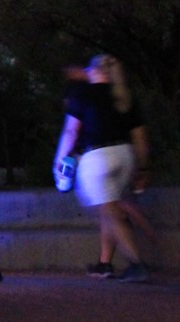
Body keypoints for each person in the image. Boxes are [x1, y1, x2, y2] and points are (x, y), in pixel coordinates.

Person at [53, 54, 153, 282]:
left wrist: (59, 159)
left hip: (97, 158)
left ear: (93, 71)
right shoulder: (125, 97)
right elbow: (140, 137)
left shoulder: (82, 94)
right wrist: (143, 167)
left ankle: (137, 264)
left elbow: (71, 132)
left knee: (110, 212)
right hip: (124, 156)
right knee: (107, 208)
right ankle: (104, 263)